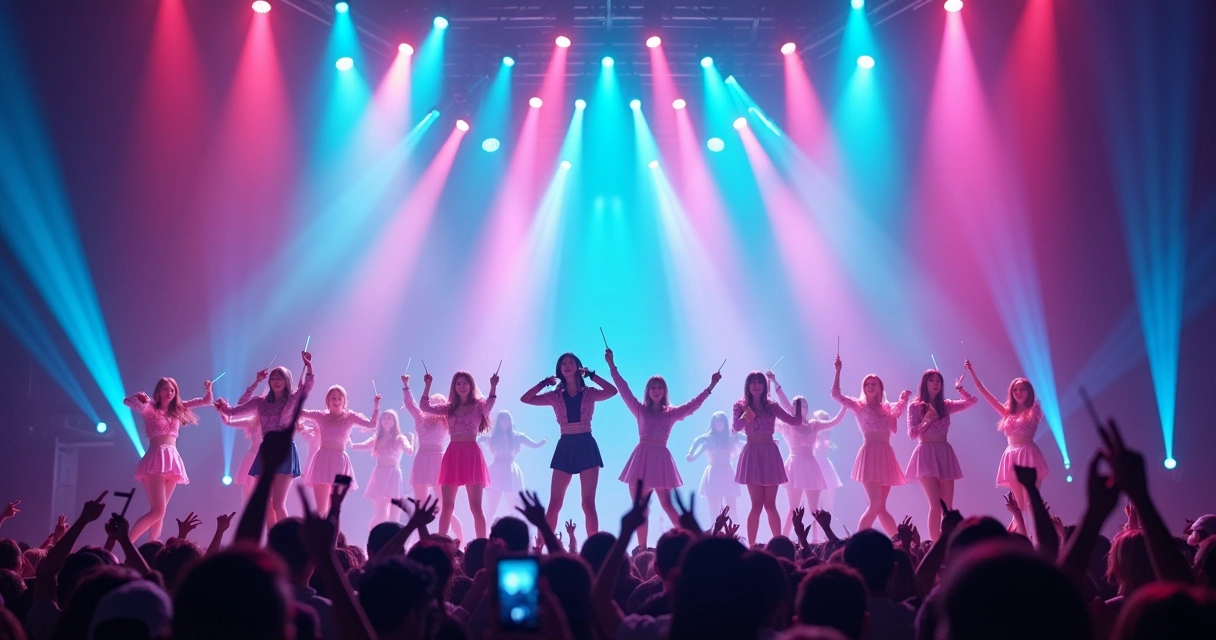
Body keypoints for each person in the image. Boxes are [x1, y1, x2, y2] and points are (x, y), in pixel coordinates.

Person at [608, 347, 719, 548]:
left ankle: (694, 539)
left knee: (668, 505)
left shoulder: (671, 414)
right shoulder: (639, 409)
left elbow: (693, 405)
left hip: (660, 460)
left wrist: (710, 387)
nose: (656, 390)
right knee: (640, 510)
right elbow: (623, 389)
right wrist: (611, 365)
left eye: (660, 387)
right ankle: (642, 549)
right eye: (653, 387)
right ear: (648, 391)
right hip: (641, 459)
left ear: (664, 391)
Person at [520, 352, 619, 533]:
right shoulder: (554, 395)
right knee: (555, 503)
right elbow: (525, 399)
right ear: (559, 369)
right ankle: (545, 548)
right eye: (563, 363)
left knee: (588, 503)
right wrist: (543, 384)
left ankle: (593, 550)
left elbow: (612, 391)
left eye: (571, 362)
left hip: (586, 445)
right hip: (565, 446)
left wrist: (591, 375)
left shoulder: (590, 393)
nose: (567, 365)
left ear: (577, 367)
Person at [215, 351, 315, 525]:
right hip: (265, 451)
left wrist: (308, 365)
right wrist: (223, 406)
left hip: (284, 452)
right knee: (266, 503)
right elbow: (235, 409)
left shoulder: (292, 399)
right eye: (273, 377)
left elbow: (308, 386)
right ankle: (272, 542)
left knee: (278, 504)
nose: (276, 380)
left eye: (280, 377)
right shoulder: (260, 403)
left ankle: (288, 542)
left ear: (287, 381)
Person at [123, 377, 213, 542]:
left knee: (161, 512)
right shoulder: (149, 408)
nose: (169, 392)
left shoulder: (178, 409)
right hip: (156, 458)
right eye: (166, 389)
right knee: (157, 511)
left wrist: (208, 389)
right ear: (158, 391)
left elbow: (206, 401)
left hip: (172, 460)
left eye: (172, 390)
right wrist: (141, 397)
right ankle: (127, 543)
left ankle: (153, 547)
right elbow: (127, 401)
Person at [831, 356, 909, 535]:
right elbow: (835, 394)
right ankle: (857, 544)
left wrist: (904, 399)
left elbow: (899, 411)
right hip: (869, 454)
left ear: (881, 388)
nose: (871, 386)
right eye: (868, 384)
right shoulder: (858, 406)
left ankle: (897, 541)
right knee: (875, 504)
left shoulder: (888, 408)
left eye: (874, 384)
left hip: (886, 455)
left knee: (881, 507)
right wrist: (838, 371)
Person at [964, 360, 1048, 523]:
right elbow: (984, 392)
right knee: (1019, 506)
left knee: (1032, 502)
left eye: (1022, 389)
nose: (1018, 392)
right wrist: (971, 371)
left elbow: (1036, 408)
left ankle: (1037, 539)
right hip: (1011, 456)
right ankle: (1022, 540)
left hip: (1028, 454)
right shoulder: (1007, 412)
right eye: (1015, 389)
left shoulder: (1034, 409)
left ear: (1028, 391)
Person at [419, 370, 498, 539]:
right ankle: (441, 546)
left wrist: (493, 386)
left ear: (471, 385)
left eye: (465, 383)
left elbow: (490, 405)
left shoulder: (479, 406)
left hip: (471, 455)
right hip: (453, 455)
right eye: (458, 383)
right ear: (454, 387)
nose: (462, 386)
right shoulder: (448, 408)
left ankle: (481, 545)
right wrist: (427, 385)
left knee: (476, 507)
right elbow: (425, 407)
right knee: (447, 506)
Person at [768, 370, 846, 537]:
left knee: (814, 509)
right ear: (792, 407)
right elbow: (779, 406)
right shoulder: (787, 425)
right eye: (797, 405)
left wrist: (845, 407)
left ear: (807, 408)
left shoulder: (814, 424)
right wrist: (774, 383)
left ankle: (823, 538)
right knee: (793, 509)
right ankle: (782, 540)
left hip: (811, 465)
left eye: (804, 405)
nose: (801, 407)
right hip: (794, 465)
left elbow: (834, 422)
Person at [904, 369, 977, 540]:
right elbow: (912, 434)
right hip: (926, 452)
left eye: (939, 381)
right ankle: (936, 547)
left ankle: (949, 545)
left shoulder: (946, 405)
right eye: (932, 380)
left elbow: (972, 401)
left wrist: (960, 389)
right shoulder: (915, 405)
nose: (936, 383)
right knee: (935, 504)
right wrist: (928, 419)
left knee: (948, 507)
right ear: (924, 383)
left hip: (944, 452)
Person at [734, 371, 802, 545]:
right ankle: (751, 546)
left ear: (765, 386)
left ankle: (778, 545)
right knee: (756, 505)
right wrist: (746, 416)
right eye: (753, 382)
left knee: (770, 504)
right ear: (748, 386)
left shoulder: (771, 406)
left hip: (770, 452)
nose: (756, 385)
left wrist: (798, 407)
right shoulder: (740, 405)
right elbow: (735, 427)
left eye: (759, 382)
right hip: (753, 453)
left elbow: (795, 422)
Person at [402, 375, 465, 541]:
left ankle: (461, 541)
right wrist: (406, 385)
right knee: (420, 506)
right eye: (434, 401)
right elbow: (410, 405)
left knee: (446, 506)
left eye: (440, 402)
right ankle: (422, 541)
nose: (436, 404)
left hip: (439, 460)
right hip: (422, 459)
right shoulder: (420, 418)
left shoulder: (447, 420)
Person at [299, 386, 379, 516]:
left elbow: (371, 425)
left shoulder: (350, 417)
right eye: (333, 398)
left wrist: (376, 406)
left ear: (344, 401)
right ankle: (319, 534)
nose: (336, 401)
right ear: (328, 401)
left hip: (339, 461)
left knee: (334, 509)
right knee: (320, 510)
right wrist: (300, 391)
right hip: (322, 459)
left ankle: (332, 536)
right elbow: (300, 412)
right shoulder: (320, 416)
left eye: (339, 398)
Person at [352, 409, 415, 527]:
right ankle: (373, 539)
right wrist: (349, 440)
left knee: (394, 513)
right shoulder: (377, 438)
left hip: (394, 474)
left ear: (395, 421)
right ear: (380, 421)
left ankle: (393, 541)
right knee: (381, 513)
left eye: (389, 417)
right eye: (384, 417)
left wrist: (410, 444)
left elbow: (409, 450)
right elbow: (360, 446)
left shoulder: (399, 438)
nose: (386, 419)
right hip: (380, 473)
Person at [478, 410, 545, 520]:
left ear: (510, 421)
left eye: (507, 418)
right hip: (496, 470)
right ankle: (487, 532)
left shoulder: (516, 436)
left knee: (514, 506)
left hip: (510, 471)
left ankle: (515, 531)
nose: (504, 421)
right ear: (498, 421)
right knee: (491, 508)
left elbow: (533, 445)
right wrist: (477, 440)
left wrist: (539, 443)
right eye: (502, 418)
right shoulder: (492, 437)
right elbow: (480, 439)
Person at [686, 411, 745, 517]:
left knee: (732, 507)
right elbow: (697, 442)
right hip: (713, 473)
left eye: (721, 422)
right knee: (714, 509)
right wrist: (691, 454)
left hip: (727, 471)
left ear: (725, 423)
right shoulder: (707, 437)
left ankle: (733, 530)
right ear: (713, 424)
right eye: (717, 422)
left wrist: (767, 440)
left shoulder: (731, 435)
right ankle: (715, 531)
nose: (719, 424)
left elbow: (745, 438)